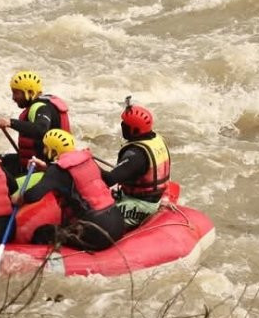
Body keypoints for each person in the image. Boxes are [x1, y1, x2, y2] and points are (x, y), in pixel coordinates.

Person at [19, 129, 124, 251]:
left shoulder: (56, 171)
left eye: (46, 148)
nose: (44, 151)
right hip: (118, 222)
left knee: (42, 233)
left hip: (97, 232)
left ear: (53, 151)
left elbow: (33, 196)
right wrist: (47, 170)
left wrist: (19, 198)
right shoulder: (88, 159)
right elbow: (107, 179)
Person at [101, 99, 171, 230]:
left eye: (125, 124)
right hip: (152, 197)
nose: (122, 125)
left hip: (142, 205)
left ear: (134, 130)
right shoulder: (155, 139)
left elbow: (109, 180)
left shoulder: (137, 155)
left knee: (95, 217)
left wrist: (88, 165)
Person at [0, 70, 71, 177]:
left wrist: (10, 122)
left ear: (30, 93)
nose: (13, 98)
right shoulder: (46, 103)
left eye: (16, 93)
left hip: (41, 168)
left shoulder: (40, 107)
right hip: (43, 162)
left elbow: (41, 129)